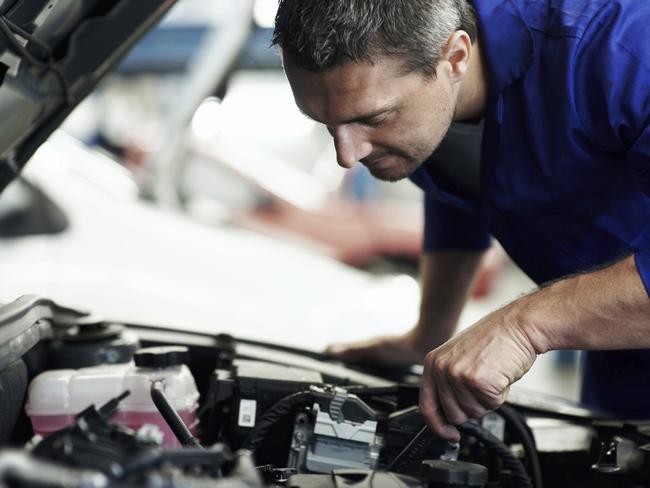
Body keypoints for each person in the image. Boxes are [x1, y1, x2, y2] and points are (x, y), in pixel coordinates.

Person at [272, 0, 650, 442]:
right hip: (621, 351)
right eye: (325, 123)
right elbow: (463, 190)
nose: (347, 155)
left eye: (373, 119)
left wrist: (523, 327)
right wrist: (428, 335)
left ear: (455, 57)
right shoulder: (427, 101)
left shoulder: (620, 50)